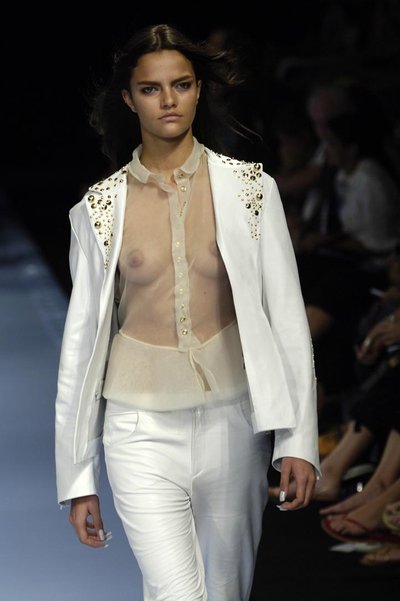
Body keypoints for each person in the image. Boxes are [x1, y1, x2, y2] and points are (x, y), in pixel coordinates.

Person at [55, 23, 319, 601]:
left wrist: (299, 439)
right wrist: (76, 477)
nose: (168, 100)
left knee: (224, 593)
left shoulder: (251, 191)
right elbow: (81, 345)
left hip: (234, 423)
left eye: (181, 84)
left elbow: (286, 320)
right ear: (129, 99)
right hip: (138, 429)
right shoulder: (98, 209)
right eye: (151, 89)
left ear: (200, 89)